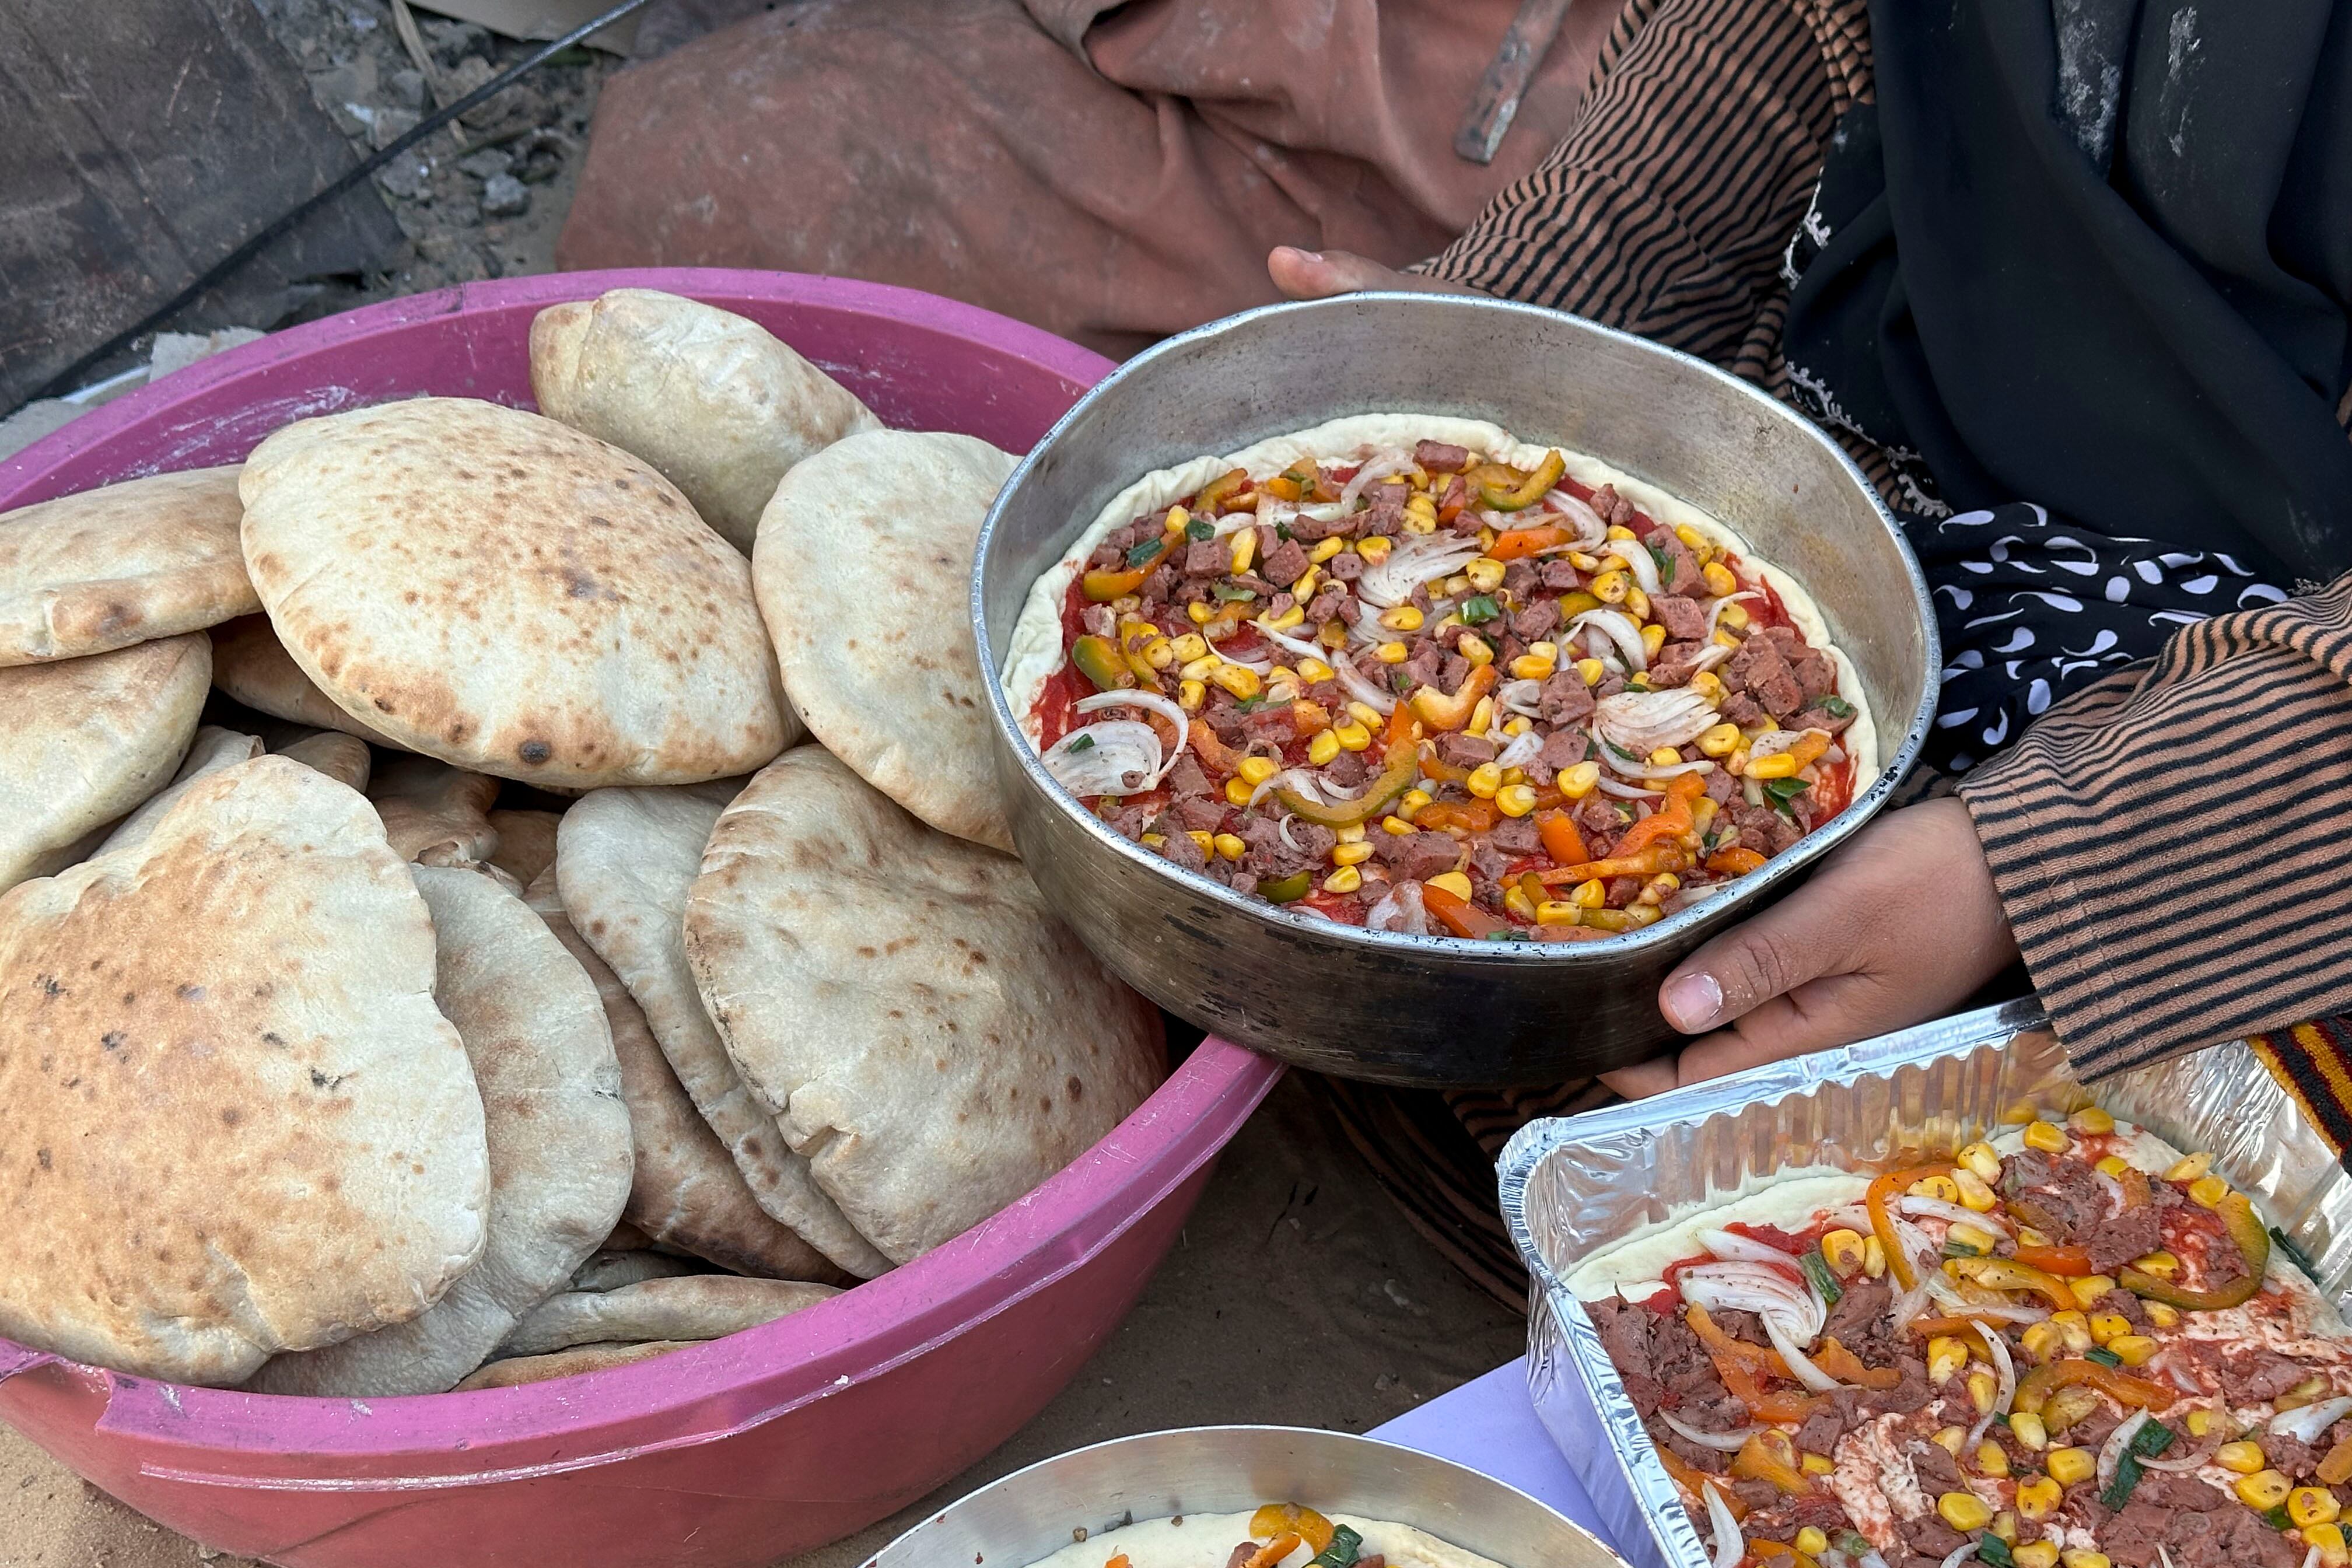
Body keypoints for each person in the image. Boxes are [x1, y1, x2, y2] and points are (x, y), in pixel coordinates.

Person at [566, 0, 2352, 1295]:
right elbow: (1812, 38)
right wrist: (1519, 337)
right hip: (1850, 397)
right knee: (735, 174)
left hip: (2254, 705)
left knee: (1953, 1260)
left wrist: (2040, 868)